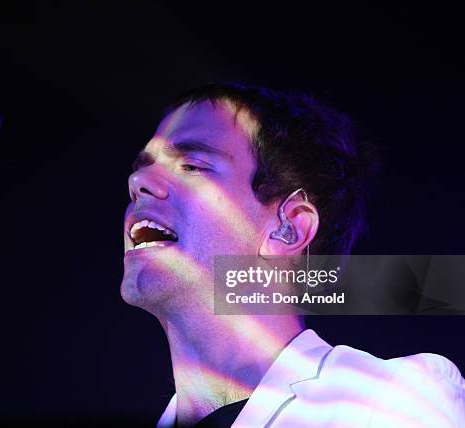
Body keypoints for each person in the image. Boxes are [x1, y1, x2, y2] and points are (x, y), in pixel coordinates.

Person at [120, 83, 465, 427]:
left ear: (289, 228)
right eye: (144, 165)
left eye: (192, 165)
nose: (139, 180)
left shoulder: (385, 400)